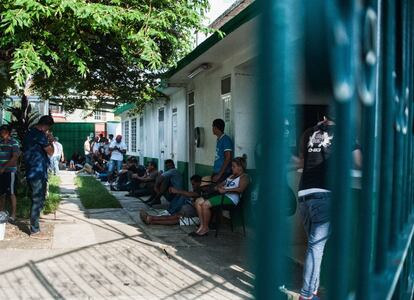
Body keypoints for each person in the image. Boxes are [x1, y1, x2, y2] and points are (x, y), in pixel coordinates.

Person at [296, 113, 362, 300]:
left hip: (303, 195)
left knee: (314, 247)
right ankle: (307, 294)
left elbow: (303, 159)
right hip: (324, 195)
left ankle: (313, 291)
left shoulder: (309, 132)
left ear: (324, 116)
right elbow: (359, 161)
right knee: (316, 248)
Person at [191, 156, 249, 237]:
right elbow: (221, 184)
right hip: (222, 196)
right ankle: (202, 226)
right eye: (232, 166)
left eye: (233, 166)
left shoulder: (244, 177)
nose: (232, 168)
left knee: (205, 204)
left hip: (231, 199)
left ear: (240, 167)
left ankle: (205, 228)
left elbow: (240, 189)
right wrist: (217, 187)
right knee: (198, 201)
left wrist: (226, 190)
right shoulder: (231, 176)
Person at [23, 115, 55, 239]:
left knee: (36, 199)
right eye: (48, 128)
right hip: (38, 171)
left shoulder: (29, 133)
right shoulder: (40, 135)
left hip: (31, 170)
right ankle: (35, 230)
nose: (47, 130)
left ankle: (35, 223)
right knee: (37, 200)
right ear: (45, 126)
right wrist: (50, 141)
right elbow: (51, 152)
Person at [0, 125, 20, 224]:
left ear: (8, 132)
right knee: (1, 193)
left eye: (4, 131)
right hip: (1, 172)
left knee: (11, 193)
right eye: (1, 131)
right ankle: (2, 213)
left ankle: (13, 215)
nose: (2, 133)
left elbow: (15, 157)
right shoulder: (0, 143)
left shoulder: (14, 142)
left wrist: (4, 167)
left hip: (10, 171)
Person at [211, 118, 233, 183]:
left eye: (212, 126)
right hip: (217, 172)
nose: (212, 129)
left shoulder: (226, 140)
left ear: (215, 127)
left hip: (223, 174)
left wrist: (219, 174)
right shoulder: (219, 139)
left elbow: (228, 158)